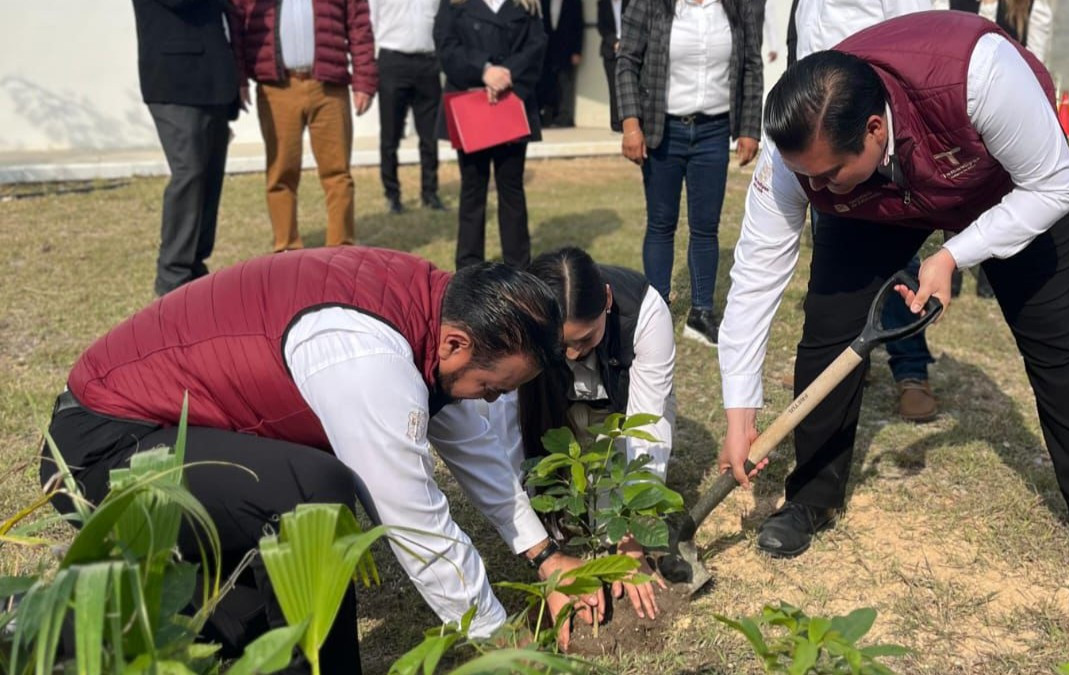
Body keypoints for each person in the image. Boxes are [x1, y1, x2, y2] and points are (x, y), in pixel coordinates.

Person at [718, 12, 1069, 582]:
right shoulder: (798, 153)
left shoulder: (980, 75)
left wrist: (952, 255)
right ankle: (812, 499)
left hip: (1007, 186)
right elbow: (756, 274)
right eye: (807, 177)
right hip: (879, 205)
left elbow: (1057, 184)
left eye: (829, 175)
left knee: (1054, 339)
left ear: (872, 129)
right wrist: (739, 409)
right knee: (829, 328)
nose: (816, 189)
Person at [40, 249, 602, 671]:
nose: (493, 401)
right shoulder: (371, 359)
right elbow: (414, 524)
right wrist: (500, 643)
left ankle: (113, 624)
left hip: (170, 441)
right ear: (456, 344)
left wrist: (546, 556)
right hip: (102, 456)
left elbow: (469, 439)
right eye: (490, 387)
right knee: (315, 496)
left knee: (237, 626)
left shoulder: (434, 308)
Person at [486, 247, 676, 619]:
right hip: (554, 412)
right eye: (561, 347)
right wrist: (546, 551)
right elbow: (507, 439)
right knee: (562, 505)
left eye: (585, 340)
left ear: (606, 300)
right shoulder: (516, 324)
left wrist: (633, 537)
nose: (572, 355)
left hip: (621, 410)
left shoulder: (645, 312)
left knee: (611, 516)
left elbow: (648, 426)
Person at [784, 0, 937, 422]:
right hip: (822, 148)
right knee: (836, 267)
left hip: (872, 139)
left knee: (897, 266)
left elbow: (916, 41)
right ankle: (847, 360)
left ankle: (911, 369)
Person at [616, 0, 764, 346]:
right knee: (661, 222)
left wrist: (750, 128)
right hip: (664, 129)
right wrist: (630, 124)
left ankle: (700, 314)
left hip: (714, 129)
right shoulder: (650, 4)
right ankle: (655, 311)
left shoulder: (737, 7)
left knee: (705, 226)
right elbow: (626, 62)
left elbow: (753, 66)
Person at [231, 0, 378, 252]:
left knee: (338, 173)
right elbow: (237, 23)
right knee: (281, 173)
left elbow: (359, 24)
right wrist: (239, 78)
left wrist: (364, 79)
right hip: (277, 88)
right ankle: (286, 248)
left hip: (329, 86)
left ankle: (340, 249)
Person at [935, 0, 1055, 301]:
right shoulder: (951, 3)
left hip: (1004, 109)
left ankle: (992, 274)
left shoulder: (1030, 6)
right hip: (956, 106)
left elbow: (1037, 59)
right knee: (957, 187)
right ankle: (954, 267)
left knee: (997, 190)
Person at [132, 0, 243, 297]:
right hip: (173, 81)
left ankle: (194, 267)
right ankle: (172, 278)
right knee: (190, 172)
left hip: (214, 79)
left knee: (209, 178)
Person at [435, 0, 547, 271]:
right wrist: (485, 70)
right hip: (471, 104)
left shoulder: (527, 4)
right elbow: (446, 45)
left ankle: (519, 269)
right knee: (473, 188)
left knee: (511, 188)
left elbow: (537, 45)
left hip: (512, 102)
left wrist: (508, 73)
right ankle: (469, 269)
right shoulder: (454, 3)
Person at [372, 0, 447, 214]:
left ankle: (430, 192)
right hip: (393, 60)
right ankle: (392, 194)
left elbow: (441, 18)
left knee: (430, 135)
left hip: (428, 62)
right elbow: (370, 21)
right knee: (390, 135)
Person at [539, 0, 585, 127]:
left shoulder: (574, 3)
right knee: (548, 83)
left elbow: (578, 26)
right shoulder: (544, 2)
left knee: (566, 84)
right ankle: (548, 116)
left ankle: (565, 118)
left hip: (567, 50)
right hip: (548, 50)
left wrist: (577, 51)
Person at [597, 0, 627, 130]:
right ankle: (616, 123)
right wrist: (615, 42)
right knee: (613, 88)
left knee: (628, 87)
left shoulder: (629, 2)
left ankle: (629, 121)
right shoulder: (603, 3)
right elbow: (602, 27)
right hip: (610, 51)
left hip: (628, 49)